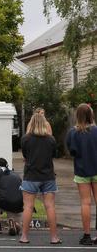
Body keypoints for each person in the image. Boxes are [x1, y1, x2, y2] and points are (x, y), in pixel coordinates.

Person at [19, 113, 61, 244]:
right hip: (48, 176)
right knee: (50, 207)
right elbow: (54, 155)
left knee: (28, 207)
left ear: (31, 123)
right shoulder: (51, 140)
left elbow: (25, 156)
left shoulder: (25, 139)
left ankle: (24, 237)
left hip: (31, 176)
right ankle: (54, 237)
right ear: (44, 123)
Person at [66, 104, 97, 245]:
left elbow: (72, 152)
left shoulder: (73, 133)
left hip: (82, 170)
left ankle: (87, 236)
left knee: (85, 202)